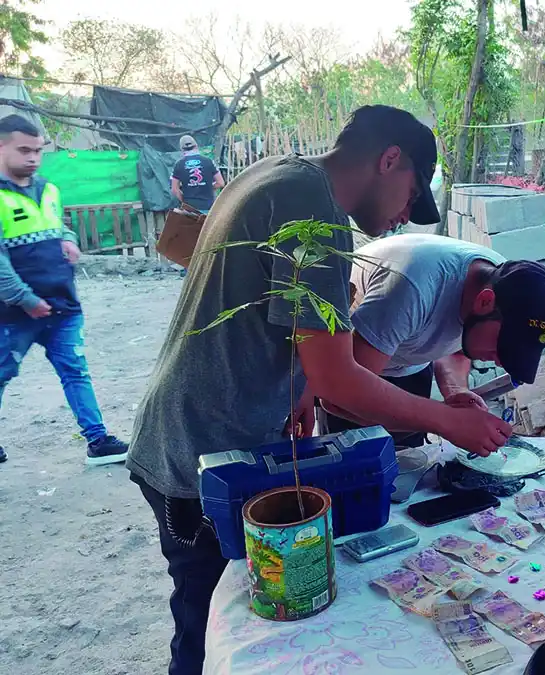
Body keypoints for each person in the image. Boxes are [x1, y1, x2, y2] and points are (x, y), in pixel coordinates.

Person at [126, 105, 512, 675]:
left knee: (216, 612)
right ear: (389, 160)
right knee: (209, 623)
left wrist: (300, 382)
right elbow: (339, 381)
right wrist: (444, 419)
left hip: (194, 428)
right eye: (410, 195)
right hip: (201, 451)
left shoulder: (275, 174)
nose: (406, 214)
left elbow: (287, 332)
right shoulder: (316, 212)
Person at [321, 233, 545, 447]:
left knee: (408, 465)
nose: (502, 362)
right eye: (504, 347)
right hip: (351, 359)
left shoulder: (499, 283)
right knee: (353, 470)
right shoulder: (410, 288)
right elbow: (337, 398)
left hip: (407, 360)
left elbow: (458, 345)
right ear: (484, 302)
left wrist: (455, 391)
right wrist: (446, 421)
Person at [0, 114, 129, 466]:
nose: (33, 158)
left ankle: (98, 440)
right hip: (13, 314)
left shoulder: (48, 189)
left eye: (38, 151)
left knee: (75, 371)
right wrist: (25, 300)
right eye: (23, 150)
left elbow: (60, 225)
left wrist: (69, 240)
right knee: (2, 373)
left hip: (63, 306)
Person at [170, 135, 224, 214]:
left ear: (181, 149)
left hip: (189, 209)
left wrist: (184, 200)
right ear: (196, 146)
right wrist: (208, 188)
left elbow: (174, 189)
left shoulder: (178, 165)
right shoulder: (209, 161)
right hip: (208, 208)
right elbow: (221, 183)